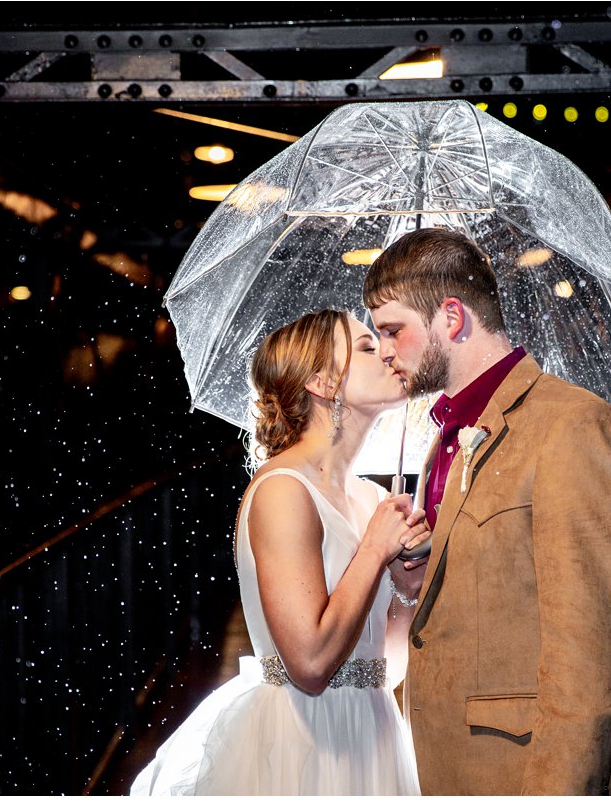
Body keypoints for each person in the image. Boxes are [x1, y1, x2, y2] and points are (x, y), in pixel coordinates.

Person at [365, 227, 611, 794]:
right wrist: (425, 573)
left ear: (451, 317)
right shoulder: (445, 436)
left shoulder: (573, 428)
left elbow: (593, 659)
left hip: (525, 774)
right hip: (453, 766)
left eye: (392, 330)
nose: (383, 351)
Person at [133, 312, 427, 795]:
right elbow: (310, 667)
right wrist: (374, 551)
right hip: (303, 745)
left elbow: (379, 670)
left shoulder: (373, 500)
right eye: (368, 348)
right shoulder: (283, 490)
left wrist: (406, 591)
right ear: (321, 381)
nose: (389, 353)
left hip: (372, 738)